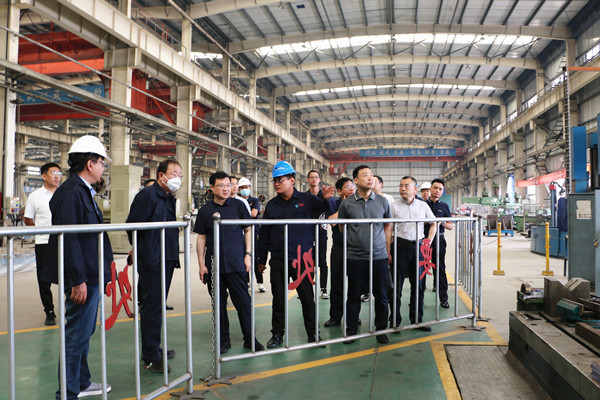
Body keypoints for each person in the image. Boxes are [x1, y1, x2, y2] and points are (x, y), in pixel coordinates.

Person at [43, 135, 113, 399]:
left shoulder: (82, 190)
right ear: (90, 163)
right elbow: (69, 240)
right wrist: (77, 280)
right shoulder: (72, 193)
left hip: (90, 273)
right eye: (101, 162)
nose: (103, 167)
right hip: (82, 276)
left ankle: (81, 382)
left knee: (84, 332)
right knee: (75, 335)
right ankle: (67, 392)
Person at [256, 161, 334, 348]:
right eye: (274, 180)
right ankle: (277, 334)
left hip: (302, 259)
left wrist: (327, 199)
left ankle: (313, 334)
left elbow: (328, 211)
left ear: (292, 180)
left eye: (280, 180)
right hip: (279, 259)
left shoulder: (308, 200)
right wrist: (261, 258)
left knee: (307, 298)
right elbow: (265, 234)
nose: (276, 184)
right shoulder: (272, 206)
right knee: (279, 298)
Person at [195, 171, 265, 354]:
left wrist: (248, 254)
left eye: (228, 185)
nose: (226, 189)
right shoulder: (205, 211)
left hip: (236, 263)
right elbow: (201, 237)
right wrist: (201, 264)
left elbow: (248, 229)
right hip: (214, 264)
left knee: (243, 302)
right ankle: (223, 341)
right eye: (221, 185)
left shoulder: (239, 206)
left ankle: (250, 339)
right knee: (218, 304)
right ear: (212, 188)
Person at [126, 159, 182, 374]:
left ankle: (155, 347)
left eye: (180, 175)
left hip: (166, 258)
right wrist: (143, 251)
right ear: (161, 175)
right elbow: (133, 226)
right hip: (152, 259)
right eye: (174, 174)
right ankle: (150, 356)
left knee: (158, 306)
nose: (178, 178)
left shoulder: (168, 197)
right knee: (151, 307)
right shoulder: (148, 195)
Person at [337, 165, 392, 345]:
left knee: (381, 296)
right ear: (356, 180)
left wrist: (387, 250)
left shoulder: (382, 202)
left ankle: (381, 330)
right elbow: (342, 227)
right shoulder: (347, 203)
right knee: (354, 296)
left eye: (371, 175)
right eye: (365, 175)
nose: (370, 178)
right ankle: (351, 330)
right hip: (356, 257)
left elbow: (388, 226)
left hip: (378, 256)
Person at [389, 176, 437, 331]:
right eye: (400, 185)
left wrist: (428, 241)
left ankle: (417, 319)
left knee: (419, 286)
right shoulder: (393, 206)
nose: (402, 189)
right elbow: (388, 228)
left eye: (406, 186)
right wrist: (388, 249)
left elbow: (434, 223)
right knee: (396, 286)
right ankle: (395, 320)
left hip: (418, 248)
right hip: (399, 247)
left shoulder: (423, 206)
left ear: (415, 189)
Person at [24, 162, 61, 326]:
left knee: (69, 275)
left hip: (63, 241)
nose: (57, 176)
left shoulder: (65, 194)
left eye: (59, 173)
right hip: (44, 242)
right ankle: (49, 311)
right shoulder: (35, 196)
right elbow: (27, 219)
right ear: (44, 176)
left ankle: (71, 308)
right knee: (44, 279)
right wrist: (39, 230)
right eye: (53, 173)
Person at [324, 177, 356, 327]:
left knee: (355, 284)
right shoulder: (333, 203)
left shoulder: (359, 203)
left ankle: (353, 316)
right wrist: (344, 205)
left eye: (352, 186)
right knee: (337, 283)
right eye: (347, 187)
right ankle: (335, 317)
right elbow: (332, 221)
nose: (351, 189)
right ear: (339, 191)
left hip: (356, 248)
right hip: (339, 247)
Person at [426, 178, 454, 308]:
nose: (437, 191)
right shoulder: (422, 205)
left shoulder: (444, 206)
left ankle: (444, 298)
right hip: (423, 240)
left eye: (440, 189)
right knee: (420, 269)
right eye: (435, 188)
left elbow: (450, 226)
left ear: (442, 191)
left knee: (440, 268)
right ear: (430, 189)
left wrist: (440, 223)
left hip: (439, 240)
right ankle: (417, 299)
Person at [238, 177, 265, 293]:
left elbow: (254, 214)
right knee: (243, 258)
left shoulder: (254, 200)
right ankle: (247, 282)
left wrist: (242, 215)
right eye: (242, 188)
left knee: (255, 258)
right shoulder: (237, 201)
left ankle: (260, 283)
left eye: (246, 187)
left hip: (254, 233)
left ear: (250, 187)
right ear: (239, 189)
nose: (245, 189)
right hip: (240, 234)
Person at [306, 169, 330, 300]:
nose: (314, 179)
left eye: (316, 177)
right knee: (307, 261)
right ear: (308, 180)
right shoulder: (304, 197)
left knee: (322, 261)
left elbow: (331, 209)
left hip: (321, 232)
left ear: (319, 180)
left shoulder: (324, 196)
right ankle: (307, 288)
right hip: (307, 233)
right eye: (312, 177)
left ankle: (324, 289)